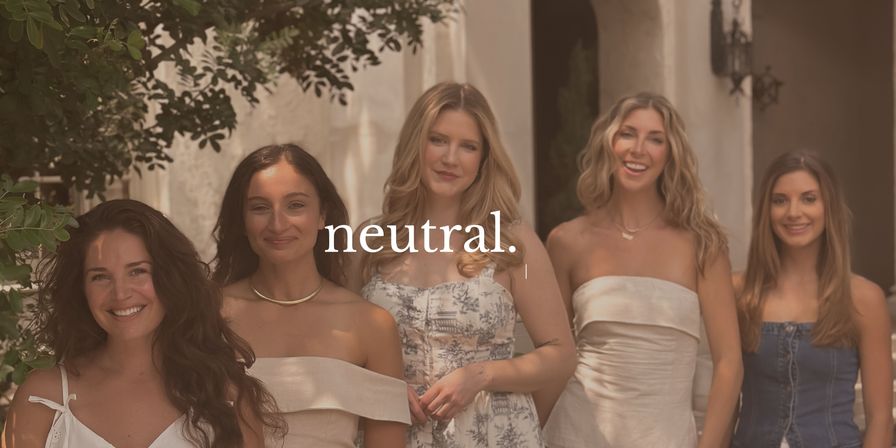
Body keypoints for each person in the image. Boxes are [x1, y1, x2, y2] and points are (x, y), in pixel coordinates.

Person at [349, 82, 577, 447]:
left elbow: (561, 354)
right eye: (438, 140)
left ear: (484, 158)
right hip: (392, 435)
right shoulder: (371, 241)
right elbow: (342, 351)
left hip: (491, 435)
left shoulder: (511, 242)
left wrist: (481, 377)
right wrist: (379, 386)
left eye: (468, 146)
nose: (450, 158)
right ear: (415, 144)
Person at [542, 92, 743, 447]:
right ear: (609, 143)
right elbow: (552, 356)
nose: (639, 149)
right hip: (576, 433)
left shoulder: (703, 244)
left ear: (670, 154)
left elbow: (728, 363)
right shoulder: (567, 241)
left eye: (655, 139)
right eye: (628, 134)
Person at [3, 199, 280, 448]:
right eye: (100, 276)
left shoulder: (226, 397)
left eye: (137, 271)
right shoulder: (43, 399)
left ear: (171, 278)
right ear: (81, 289)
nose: (121, 293)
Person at [212, 144, 409, 447]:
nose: (278, 224)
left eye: (295, 205)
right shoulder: (210, 315)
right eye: (260, 207)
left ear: (322, 216)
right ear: (242, 221)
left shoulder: (371, 325)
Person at [732, 150, 893, 448]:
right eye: (780, 200)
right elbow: (724, 398)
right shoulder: (739, 292)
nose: (794, 212)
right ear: (766, 210)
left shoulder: (864, 299)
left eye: (809, 198)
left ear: (828, 207)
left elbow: (881, 419)